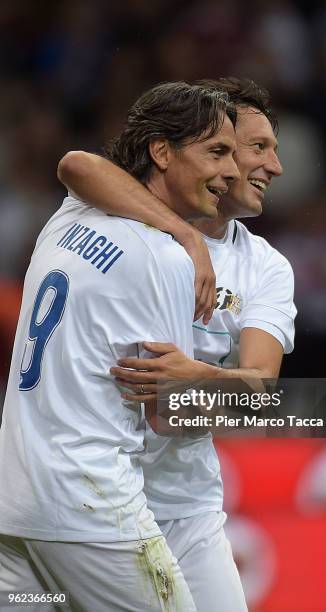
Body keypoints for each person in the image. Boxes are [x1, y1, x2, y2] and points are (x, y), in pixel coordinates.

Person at [58, 77, 296, 612]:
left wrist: (198, 381)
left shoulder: (267, 267)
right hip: (92, 492)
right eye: (256, 147)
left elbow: (261, 388)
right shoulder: (125, 216)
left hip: (186, 506)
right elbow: (76, 165)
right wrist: (188, 236)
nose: (273, 167)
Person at [0, 81, 239, 612]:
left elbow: (77, 166)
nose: (231, 171)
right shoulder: (167, 260)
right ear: (162, 151)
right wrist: (244, 395)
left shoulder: (70, 215)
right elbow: (165, 414)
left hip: (13, 511)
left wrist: (185, 232)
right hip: (92, 516)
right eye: (216, 152)